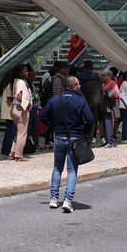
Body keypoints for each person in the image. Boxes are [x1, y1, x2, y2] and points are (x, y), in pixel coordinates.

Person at [40, 75, 95, 213]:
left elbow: (43, 115)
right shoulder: (80, 100)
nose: (80, 86)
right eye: (78, 84)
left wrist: (53, 126)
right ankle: (68, 200)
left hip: (59, 137)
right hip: (74, 138)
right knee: (72, 170)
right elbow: (90, 119)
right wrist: (83, 131)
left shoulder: (55, 99)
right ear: (74, 86)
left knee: (57, 168)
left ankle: (53, 198)